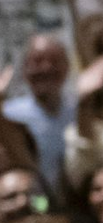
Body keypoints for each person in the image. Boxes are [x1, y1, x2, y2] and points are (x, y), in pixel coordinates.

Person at [5, 36, 76, 190]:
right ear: (24, 68)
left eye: (54, 61)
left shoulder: (79, 113)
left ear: (67, 67)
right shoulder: (7, 116)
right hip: (30, 201)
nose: (46, 68)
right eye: (37, 61)